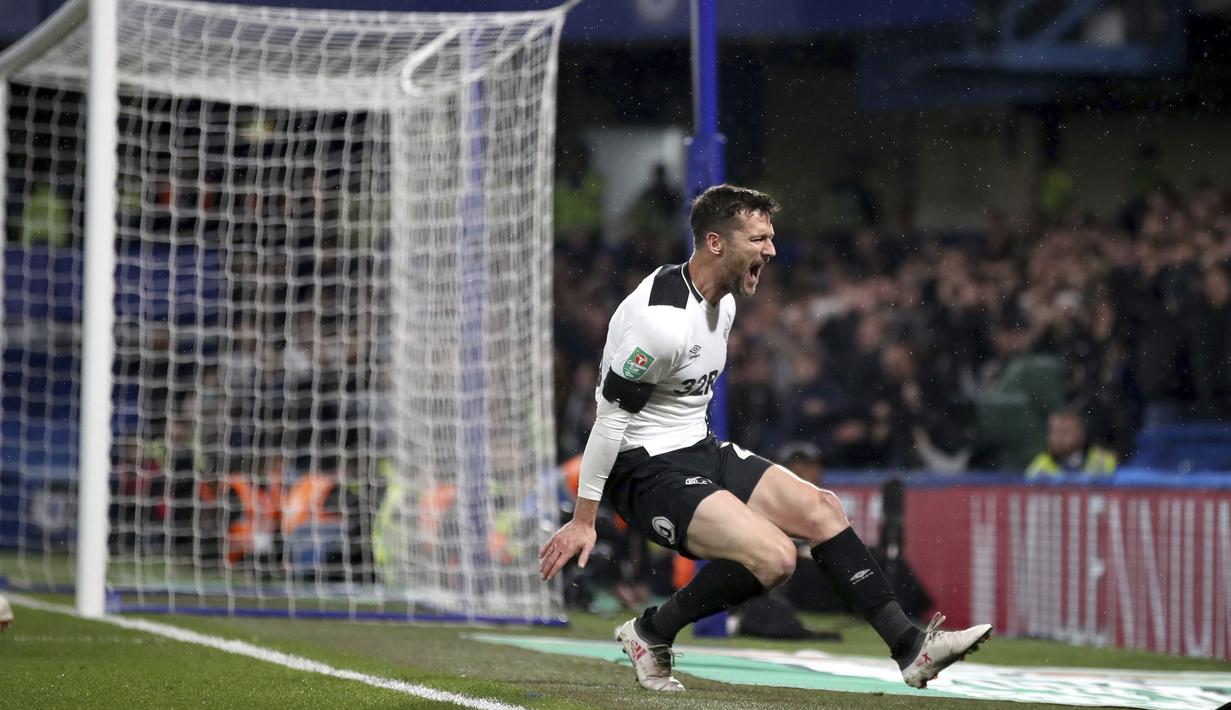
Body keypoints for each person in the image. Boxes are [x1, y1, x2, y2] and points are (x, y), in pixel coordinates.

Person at [539, 184, 992, 692]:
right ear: (716, 243)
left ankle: (910, 648)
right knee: (776, 559)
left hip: (697, 447)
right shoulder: (660, 325)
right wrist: (584, 519)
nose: (772, 250)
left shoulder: (725, 304)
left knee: (823, 510)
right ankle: (652, 631)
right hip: (642, 468)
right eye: (758, 239)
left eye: (770, 238)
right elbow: (609, 421)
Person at [1025, 409, 1117, 479]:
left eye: (1064, 432)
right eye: (1053, 432)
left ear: (1082, 434)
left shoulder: (1103, 460)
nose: (1057, 438)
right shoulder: (1041, 466)